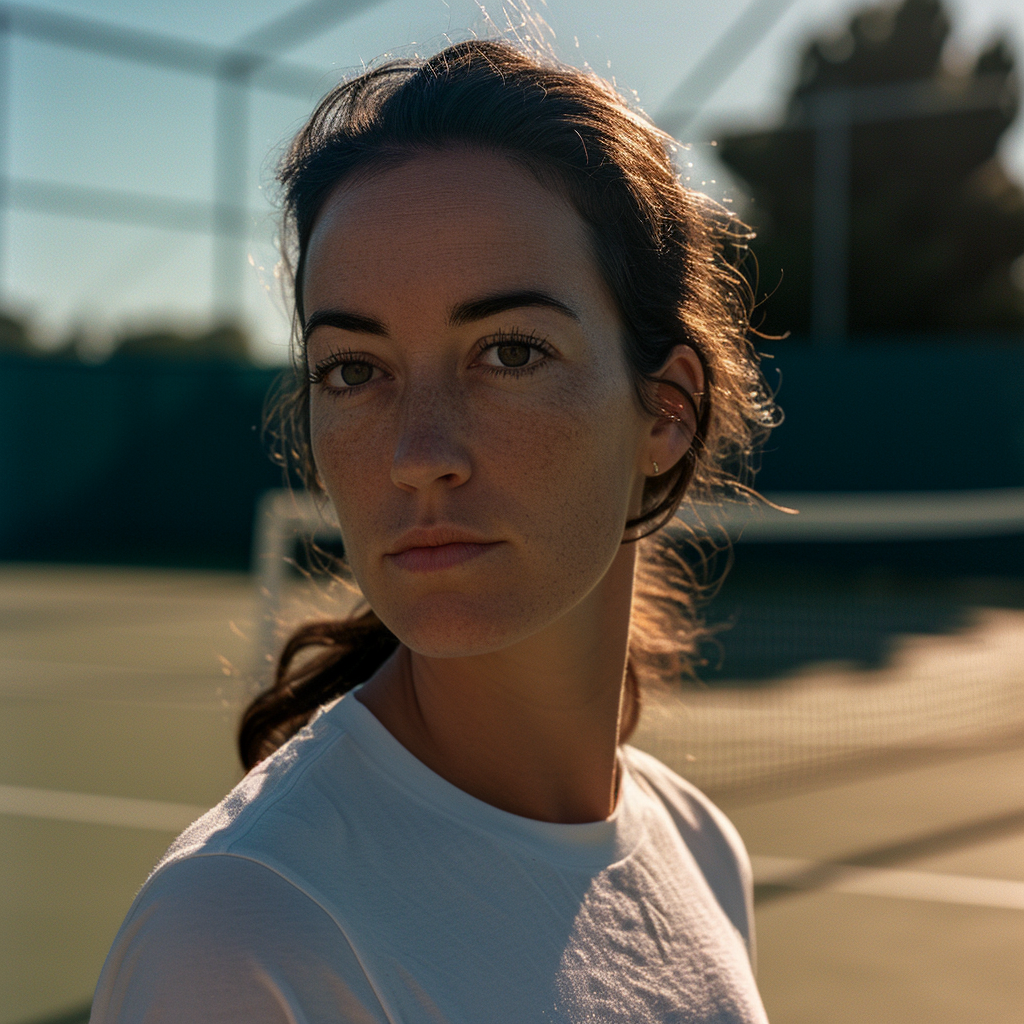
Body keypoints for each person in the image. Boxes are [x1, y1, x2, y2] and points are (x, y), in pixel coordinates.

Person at [91, 39, 777, 1023]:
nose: (419, 451)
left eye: (508, 351)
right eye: (354, 369)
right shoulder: (246, 931)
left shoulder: (700, 848)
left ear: (664, 410)